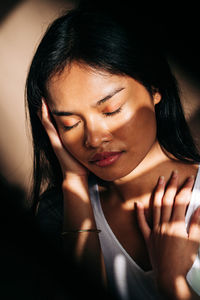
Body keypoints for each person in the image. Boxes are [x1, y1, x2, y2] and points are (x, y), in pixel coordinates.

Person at [25, 4, 200, 300]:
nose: (93, 139)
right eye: (70, 124)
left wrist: (174, 284)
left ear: (153, 86)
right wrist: (73, 181)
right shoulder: (59, 215)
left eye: (112, 109)